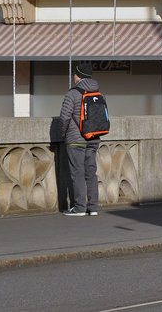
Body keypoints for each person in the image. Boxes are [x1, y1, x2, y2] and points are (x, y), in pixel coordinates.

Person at [56, 61, 102, 216]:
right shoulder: (98, 92)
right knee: (91, 172)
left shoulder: (72, 94)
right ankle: (93, 207)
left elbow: (64, 118)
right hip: (94, 138)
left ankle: (80, 208)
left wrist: (63, 134)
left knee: (77, 173)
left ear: (78, 76)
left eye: (74, 74)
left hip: (76, 139)